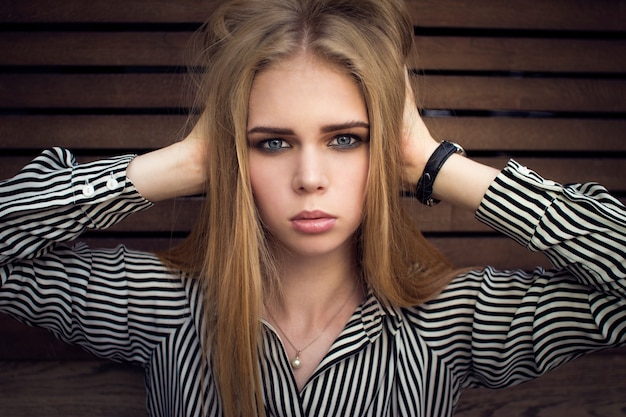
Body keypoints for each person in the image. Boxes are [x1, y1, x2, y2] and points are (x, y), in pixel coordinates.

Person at [1, 0, 624, 416]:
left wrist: (430, 161)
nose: (309, 178)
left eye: (346, 139)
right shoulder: (167, 308)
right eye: (272, 142)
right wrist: (184, 165)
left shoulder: (452, 322)